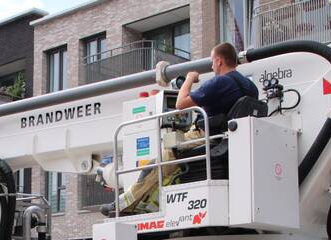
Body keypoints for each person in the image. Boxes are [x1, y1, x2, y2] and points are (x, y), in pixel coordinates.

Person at [102, 42, 259, 215]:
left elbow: (180, 103)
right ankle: (149, 205)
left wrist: (189, 78)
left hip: (206, 135)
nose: (212, 66)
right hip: (228, 138)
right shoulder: (250, 87)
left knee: (160, 161)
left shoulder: (220, 81)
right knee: (171, 168)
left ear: (219, 61)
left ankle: (124, 204)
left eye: (212, 61)